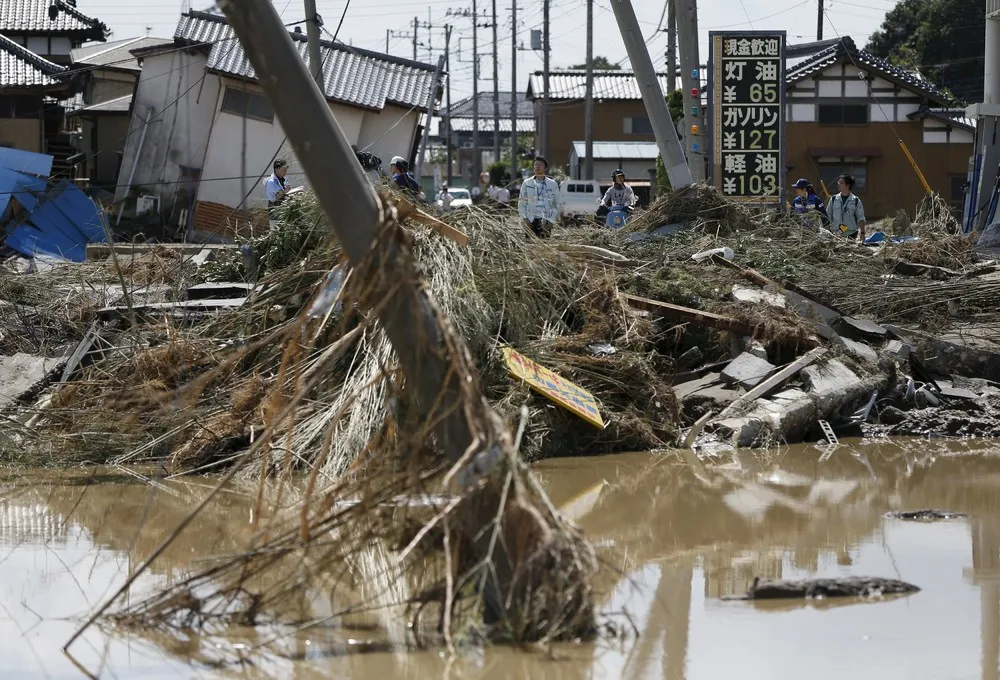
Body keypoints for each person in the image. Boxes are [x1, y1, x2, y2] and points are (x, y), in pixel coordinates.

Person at [517, 156, 560, 238]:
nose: (537, 167)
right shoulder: (527, 183)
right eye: (535, 165)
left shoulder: (552, 184)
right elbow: (522, 202)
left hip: (545, 221)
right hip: (530, 220)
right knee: (530, 246)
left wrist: (551, 221)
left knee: (545, 247)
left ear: (545, 168)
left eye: (540, 165)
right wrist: (524, 219)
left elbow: (556, 204)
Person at [826, 174, 867, 241]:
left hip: (851, 234)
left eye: (841, 183)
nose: (839, 184)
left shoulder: (856, 200)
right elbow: (828, 215)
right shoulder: (833, 199)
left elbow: (861, 218)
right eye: (838, 182)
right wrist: (827, 231)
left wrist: (862, 233)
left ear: (848, 185)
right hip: (836, 234)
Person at [264, 158, 291, 230]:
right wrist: (284, 192)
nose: (285, 172)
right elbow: (272, 198)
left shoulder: (284, 179)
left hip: (284, 211)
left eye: (286, 170)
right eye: (283, 170)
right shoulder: (271, 182)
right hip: (275, 212)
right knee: (276, 232)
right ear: (277, 169)